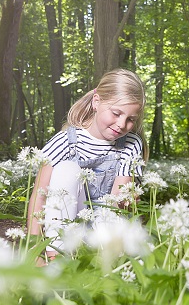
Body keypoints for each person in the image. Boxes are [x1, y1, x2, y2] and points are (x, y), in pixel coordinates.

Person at [26, 69, 146, 261]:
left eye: (131, 119)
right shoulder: (64, 141)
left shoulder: (131, 143)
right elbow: (39, 197)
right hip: (69, 227)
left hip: (105, 229)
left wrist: (129, 200)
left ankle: (107, 259)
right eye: (116, 113)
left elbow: (116, 203)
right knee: (66, 170)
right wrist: (34, 253)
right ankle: (56, 258)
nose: (122, 124)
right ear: (96, 102)